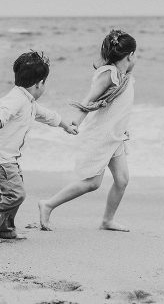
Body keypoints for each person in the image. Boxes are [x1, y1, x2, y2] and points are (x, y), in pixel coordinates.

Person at [0, 50, 77, 239]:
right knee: (16, 194)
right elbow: (0, 117)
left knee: (14, 195)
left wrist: (65, 125)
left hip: (10, 158)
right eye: (45, 83)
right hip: (0, 159)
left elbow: (46, 115)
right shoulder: (14, 100)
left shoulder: (27, 100)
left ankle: (5, 230)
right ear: (39, 84)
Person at [38, 29, 137, 232]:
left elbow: (118, 108)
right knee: (92, 183)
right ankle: (48, 204)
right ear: (130, 55)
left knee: (122, 179)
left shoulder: (123, 76)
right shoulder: (108, 74)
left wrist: (124, 129)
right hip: (100, 136)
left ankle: (107, 221)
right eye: (136, 55)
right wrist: (76, 122)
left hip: (115, 137)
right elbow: (89, 99)